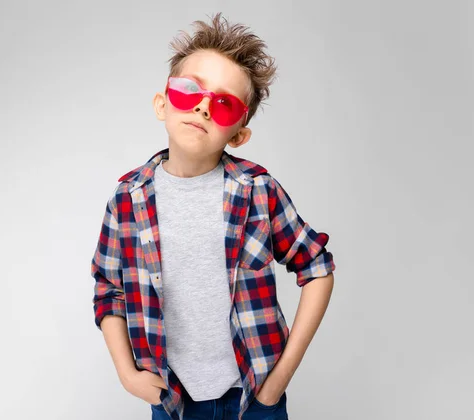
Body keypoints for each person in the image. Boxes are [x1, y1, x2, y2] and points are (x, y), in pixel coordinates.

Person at [91, 12, 336, 420]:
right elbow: (108, 290)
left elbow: (317, 268)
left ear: (238, 134)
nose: (204, 106)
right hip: (173, 401)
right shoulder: (127, 199)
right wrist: (127, 374)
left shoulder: (258, 191)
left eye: (224, 104)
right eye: (190, 91)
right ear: (162, 103)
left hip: (253, 398)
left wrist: (277, 381)